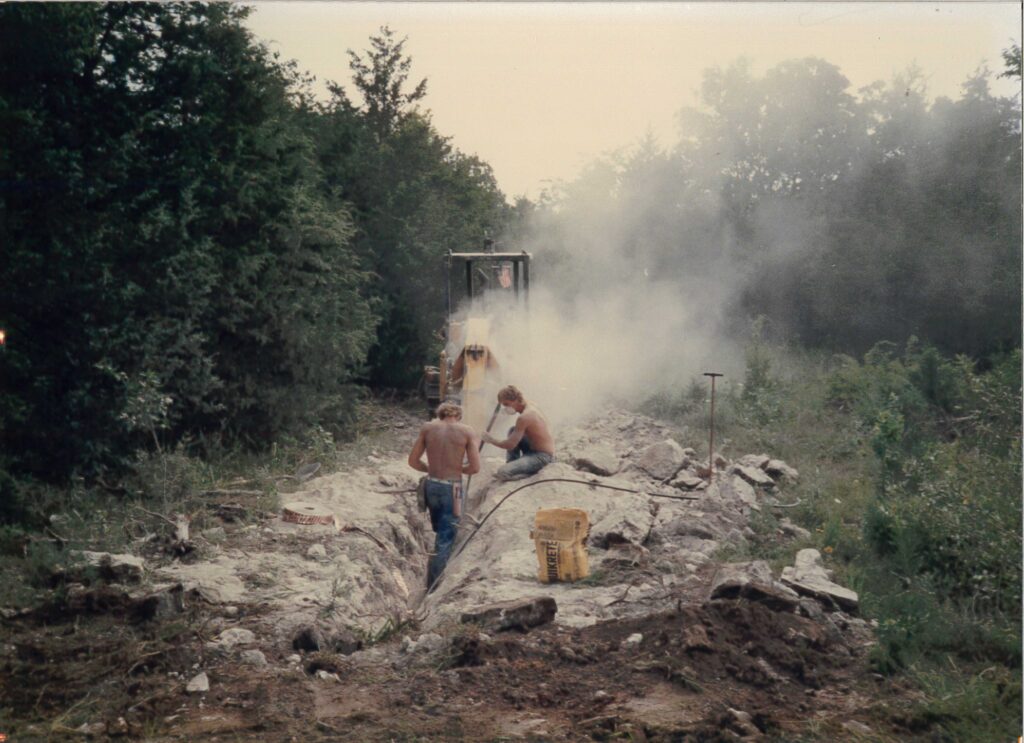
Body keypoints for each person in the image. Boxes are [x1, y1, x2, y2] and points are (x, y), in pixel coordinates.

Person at [407, 401, 481, 587]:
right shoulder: (466, 431)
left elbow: (413, 461)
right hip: (453, 488)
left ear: (440, 415)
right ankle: (435, 586)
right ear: (458, 416)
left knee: (439, 529)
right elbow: (475, 467)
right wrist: (457, 468)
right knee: (446, 536)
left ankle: (431, 573)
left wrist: (430, 468)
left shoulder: (428, 428)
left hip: (431, 485)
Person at [481, 385, 555, 481]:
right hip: (534, 449)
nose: (506, 408)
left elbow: (510, 445)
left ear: (515, 400)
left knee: (503, 472)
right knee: (513, 430)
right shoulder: (529, 405)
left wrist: (490, 440)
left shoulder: (525, 417)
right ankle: (513, 463)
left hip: (542, 457)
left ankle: (525, 474)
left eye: (507, 404)